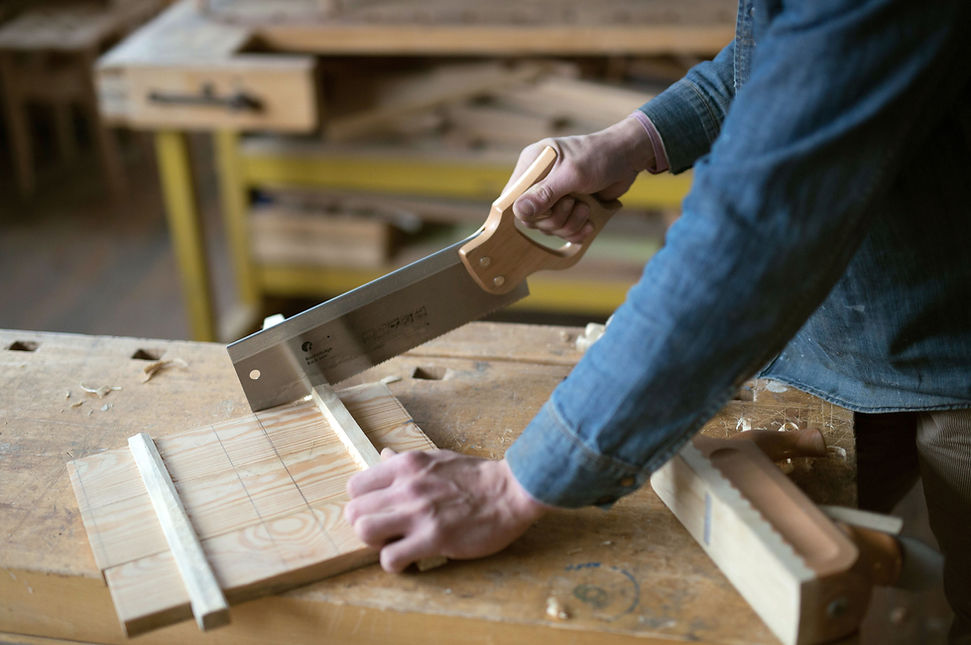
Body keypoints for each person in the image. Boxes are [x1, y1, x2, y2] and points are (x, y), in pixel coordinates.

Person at [344, 0, 971, 640]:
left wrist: (516, 486)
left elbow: (750, 237)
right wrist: (639, 139)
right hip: (861, 328)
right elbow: (792, 61)